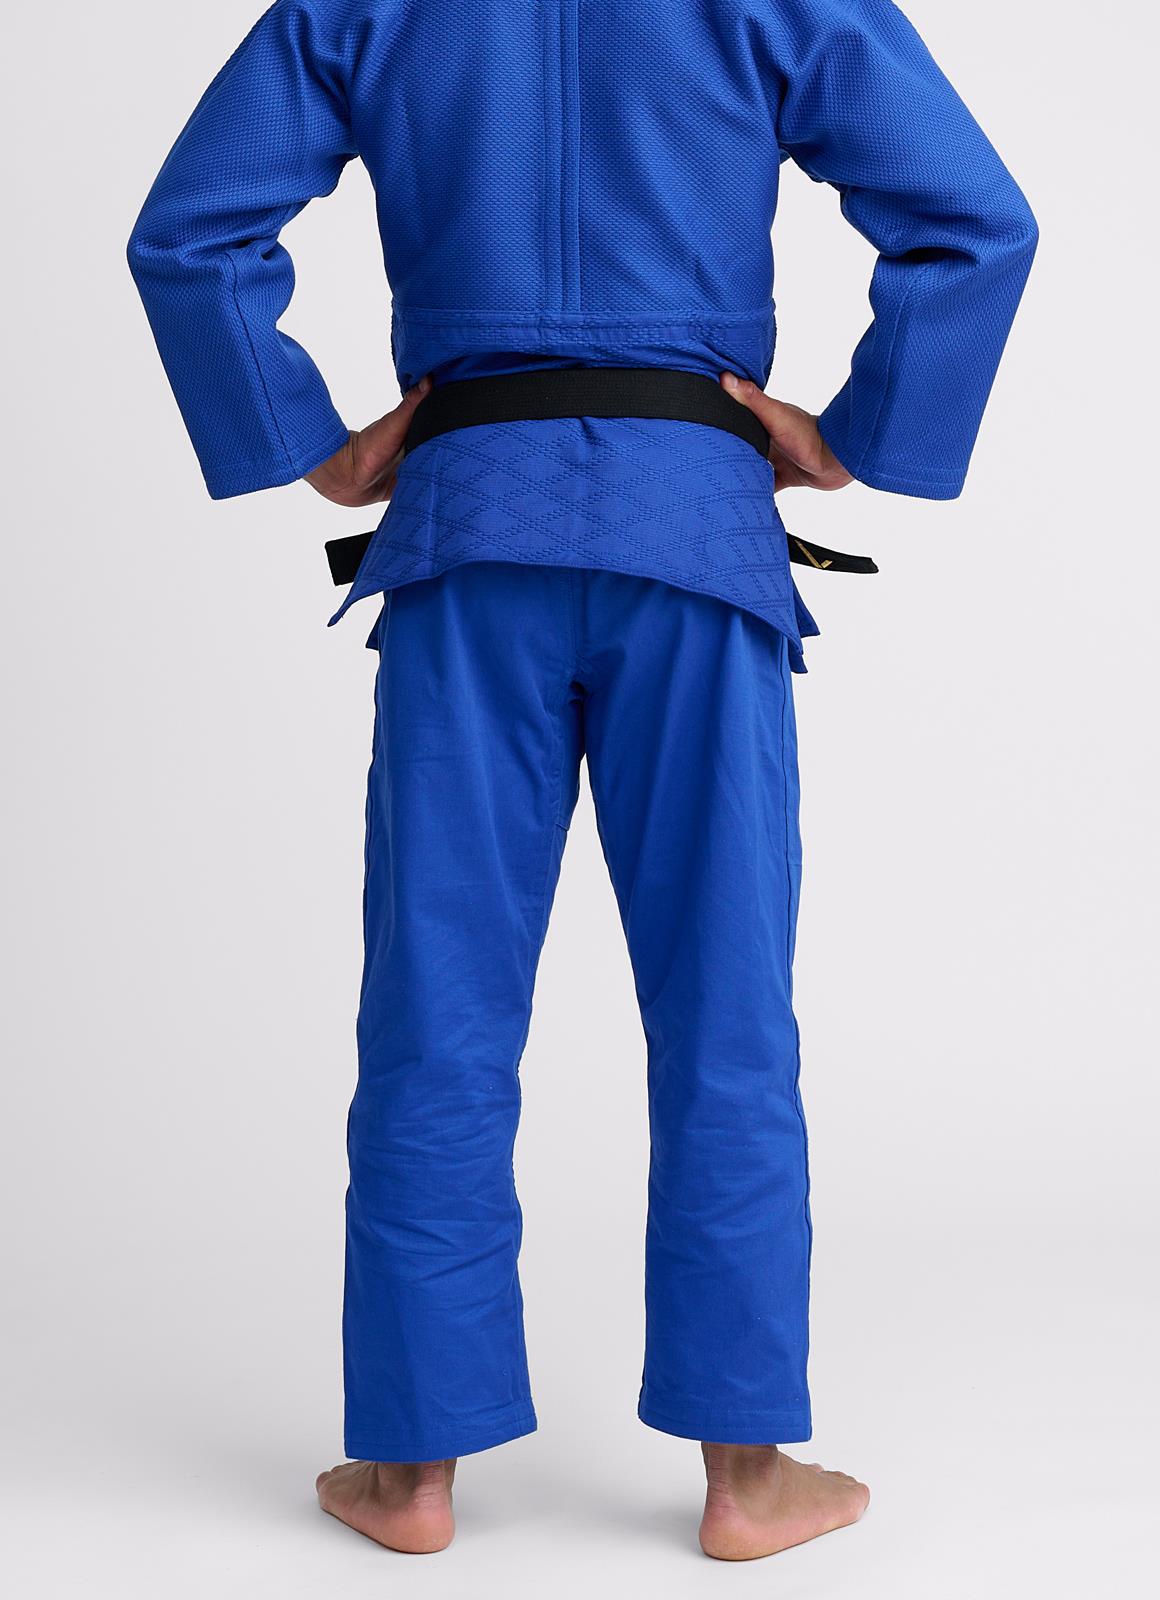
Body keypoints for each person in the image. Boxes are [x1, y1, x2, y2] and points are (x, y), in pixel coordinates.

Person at [127, 0, 1036, 1561]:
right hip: (694, 533)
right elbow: (977, 225)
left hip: (469, 527)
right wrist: (856, 433)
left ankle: (410, 1474)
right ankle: (747, 1478)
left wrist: (313, 441)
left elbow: (188, 236)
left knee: (437, 1012)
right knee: (727, 1013)